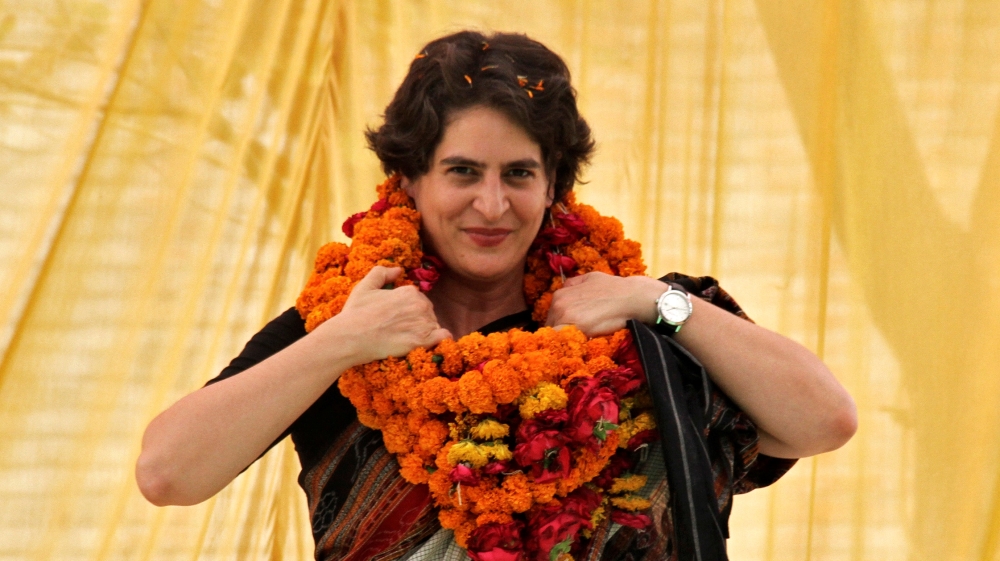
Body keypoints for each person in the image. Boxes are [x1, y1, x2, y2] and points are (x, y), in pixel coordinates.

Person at [136, 30, 856, 560]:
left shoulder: (643, 328)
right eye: (462, 171)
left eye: (518, 173)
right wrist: (343, 343)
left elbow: (826, 420)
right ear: (409, 179)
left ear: (554, 186)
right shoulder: (348, 328)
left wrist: (653, 302)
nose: (491, 204)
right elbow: (167, 472)